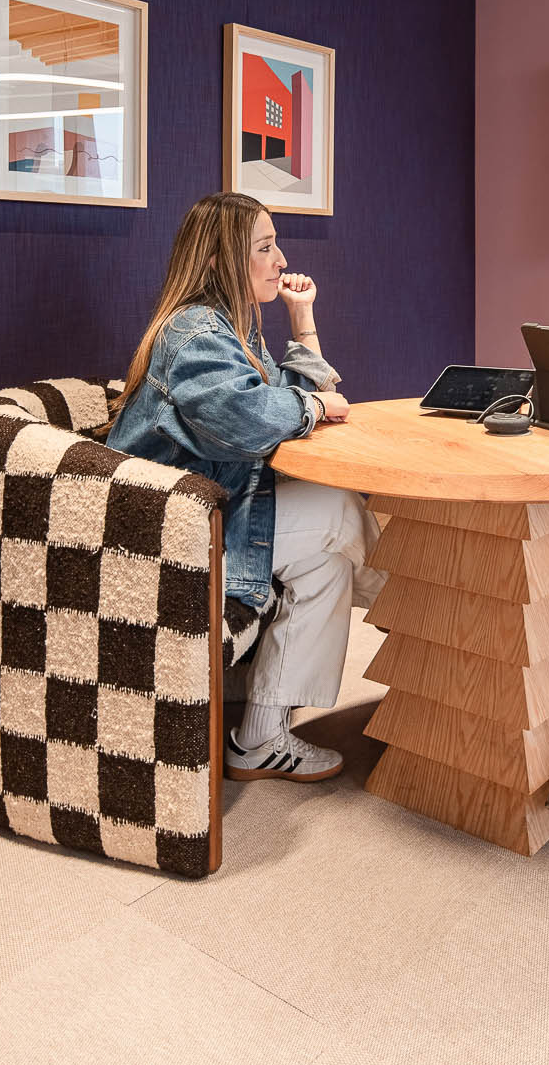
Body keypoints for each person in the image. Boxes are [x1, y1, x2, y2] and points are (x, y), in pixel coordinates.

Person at [108, 191, 376, 784]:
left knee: (328, 561)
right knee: (340, 513)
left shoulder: (229, 328)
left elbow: (284, 393)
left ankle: (259, 740)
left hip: (211, 513)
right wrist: (312, 403)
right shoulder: (196, 333)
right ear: (215, 261)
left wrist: (302, 321)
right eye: (264, 247)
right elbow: (252, 417)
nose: (281, 260)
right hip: (166, 539)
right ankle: (420, 609)